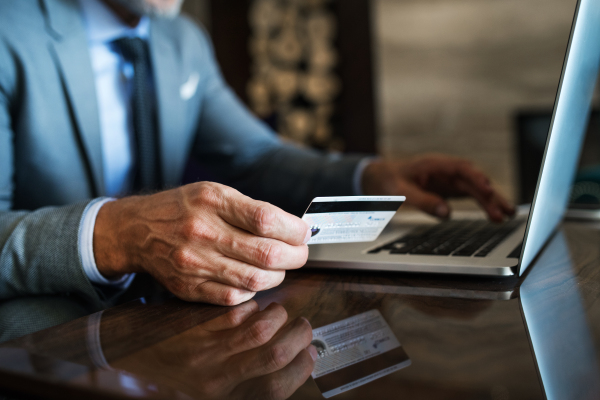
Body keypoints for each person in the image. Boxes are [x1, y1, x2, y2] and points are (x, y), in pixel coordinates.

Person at [0, 0, 513, 338]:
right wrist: (118, 234)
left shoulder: (183, 40)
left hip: (165, 318)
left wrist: (372, 176)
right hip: (49, 319)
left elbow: (256, 156)